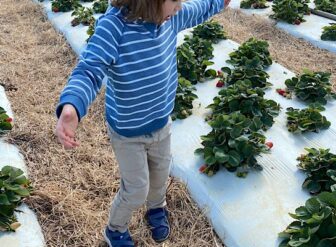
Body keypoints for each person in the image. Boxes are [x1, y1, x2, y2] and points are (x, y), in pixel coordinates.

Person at [55, 0, 230, 246]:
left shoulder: (169, 17)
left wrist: (218, 2)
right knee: (136, 188)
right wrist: (72, 106)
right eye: (174, 2)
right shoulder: (114, 27)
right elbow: (89, 69)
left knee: (159, 175)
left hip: (161, 123)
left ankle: (157, 208)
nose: (179, 7)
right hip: (128, 132)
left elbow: (198, 9)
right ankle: (115, 229)